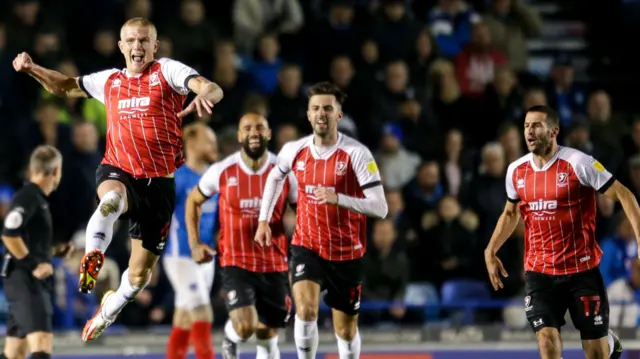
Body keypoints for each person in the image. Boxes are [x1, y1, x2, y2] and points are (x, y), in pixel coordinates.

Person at [12, 17, 224, 342]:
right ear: (121, 46)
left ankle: (110, 308)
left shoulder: (166, 71)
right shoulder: (109, 80)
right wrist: (32, 69)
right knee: (111, 200)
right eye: (131, 41)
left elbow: (210, 86)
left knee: (138, 276)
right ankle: (93, 255)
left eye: (144, 41)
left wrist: (205, 92)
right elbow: (65, 85)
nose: (138, 47)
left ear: (154, 46)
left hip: (159, 185)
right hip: (119, 170)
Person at [484, 105, 635, 359]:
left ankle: (608, 343)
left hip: (582, 272)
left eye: (536, 125)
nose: (529, 131)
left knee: (597, 353)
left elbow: (624, 194)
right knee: (546, 342)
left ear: (554, 131)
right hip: (539, 273)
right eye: (526, 126)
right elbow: (510, 213)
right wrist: (491, 249)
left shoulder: (578, 163)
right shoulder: (516, 170)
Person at [256, 82, 389, 359]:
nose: (321, 114)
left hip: (346, 252)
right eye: (315, 108)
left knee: (346, 330)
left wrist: (338, 198)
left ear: (338, 115)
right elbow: (274, 177)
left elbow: (381, 207)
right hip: (308, 245)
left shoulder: (357, 154)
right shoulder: (295, 150)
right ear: (308, 114)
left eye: (328, 108)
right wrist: (264, 220)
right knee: (304, 310)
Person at [186, 113, 297, 359]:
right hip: (235, 261)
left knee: (268, 332)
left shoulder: (285, 172)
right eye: (247, 128)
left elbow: (302, 212)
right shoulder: (222, 170)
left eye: (260, 127)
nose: (254, 133)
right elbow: (193, 200)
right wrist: (195, 243)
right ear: (239, 136)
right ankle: (231, 337)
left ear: (269, 134)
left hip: (274, 263)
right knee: (246, 326)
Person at [1, 145, 72, 359]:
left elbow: (26, 240)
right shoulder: (29, 196)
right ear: (56, 171)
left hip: (21, 279)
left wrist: (53, 252)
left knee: (15, 352)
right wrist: (34, 265)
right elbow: (9, 234)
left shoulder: (36, 199)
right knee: (42, 342)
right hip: (26, 281)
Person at [163, 123, 219, 359]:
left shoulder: (214, 176)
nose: (214, 147)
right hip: (181, 257)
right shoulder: (178, 178)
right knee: (203, 313)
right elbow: (159, 218)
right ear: (193, 143)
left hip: (206, 257)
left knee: (184, 318)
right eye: (209, 142)